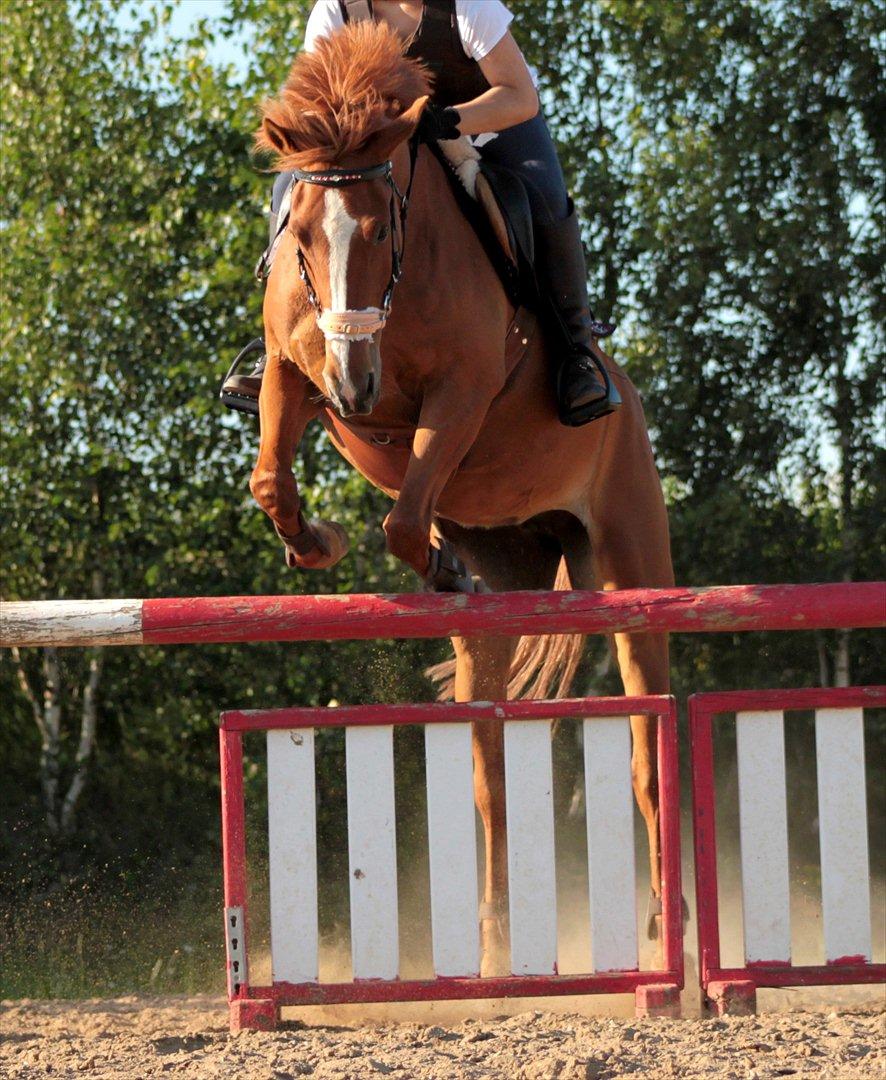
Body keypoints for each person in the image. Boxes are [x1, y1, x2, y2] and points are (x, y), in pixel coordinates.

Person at [223, 0, 618, 426]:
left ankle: (574, 351)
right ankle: (276, 342)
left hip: (488, 125)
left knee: (544, 194)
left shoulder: (469, 6)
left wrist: (446, 119)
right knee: (293, 185)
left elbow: (520, 96)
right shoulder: (336, 10)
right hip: (379, 149)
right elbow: (316, 106)